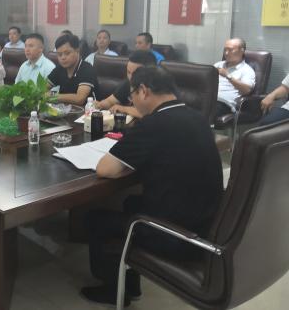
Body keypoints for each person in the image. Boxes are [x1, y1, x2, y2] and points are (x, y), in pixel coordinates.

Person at [82, 67, 223, 307]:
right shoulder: (197, 118)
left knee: (95, 220)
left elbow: (105, 169)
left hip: (177, 235)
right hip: (206, 224)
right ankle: (130, 283)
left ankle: (114, 291)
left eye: (132, 96)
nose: (132, 103)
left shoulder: (154, 124)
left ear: (144, 91)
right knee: (130, 202)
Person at [95, 50, 157, 119]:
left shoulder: (156, 87)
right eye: (128, 72)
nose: (130, 77)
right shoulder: (128, 83)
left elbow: (150, 114)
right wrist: (99, 105)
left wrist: (123, 109)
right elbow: (110, 102)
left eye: (135, 74)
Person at [47, 34, 99, 105]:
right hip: (64, 109)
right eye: (59, 54)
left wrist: (53, 95)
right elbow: (42, 88)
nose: (63, 57)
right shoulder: (60, 68)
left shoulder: (87, 69)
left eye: (67, 53)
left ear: (77, 51)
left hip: (86, 110)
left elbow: (79, 99)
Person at [214, 38, 255, 117]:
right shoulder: (218, 64)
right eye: (225, 50)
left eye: (230, 50)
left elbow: (247, 90)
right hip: (207, 97)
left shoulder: (247, 70)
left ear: (242, 51)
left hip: (223, 103)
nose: (226, 53)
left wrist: (228, 76)